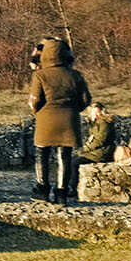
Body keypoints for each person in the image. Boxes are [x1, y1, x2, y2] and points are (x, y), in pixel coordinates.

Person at [26, 38, 90, 205]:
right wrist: (73, 109)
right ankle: (61, 192)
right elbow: (85, 100)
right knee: (65, 156)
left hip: (46, 119)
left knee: (42, 154)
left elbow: (35, 101)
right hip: (69, 119)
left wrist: (36, 111)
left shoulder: (40, 75)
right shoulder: (75, 75)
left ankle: (42, 189)